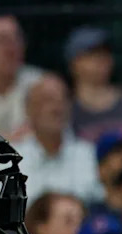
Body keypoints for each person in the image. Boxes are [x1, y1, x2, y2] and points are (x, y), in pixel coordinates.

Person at [14, 73, 102, 203]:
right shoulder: (12, 160)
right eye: (47, 100)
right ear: (29, 110)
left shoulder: (90, 154)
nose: (57, 108)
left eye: (62, 100)